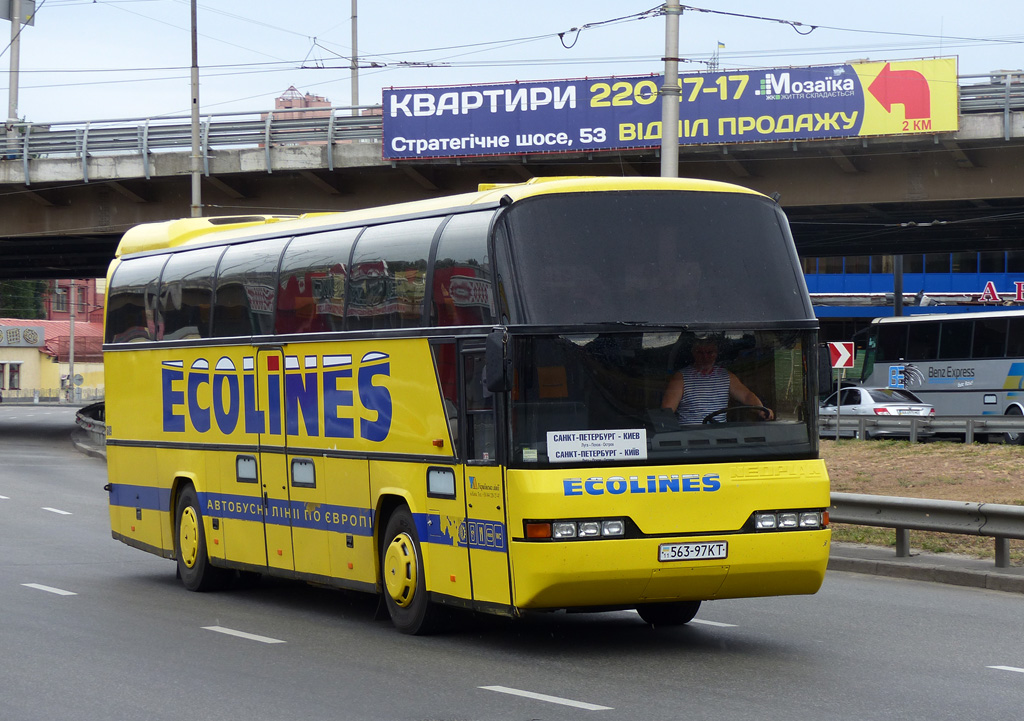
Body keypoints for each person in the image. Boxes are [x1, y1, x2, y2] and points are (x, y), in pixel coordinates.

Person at [661, 337, 773, 425]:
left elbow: (747, 396)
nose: (705, 357)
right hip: (690, 438)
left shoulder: (726, 376)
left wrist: (761, 409)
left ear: (716, 353)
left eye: (710, 352)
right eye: (700, 352)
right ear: (693, 353)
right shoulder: (680, 378)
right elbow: (667, 412)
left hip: (719, 437)